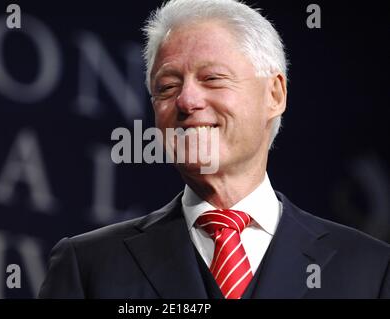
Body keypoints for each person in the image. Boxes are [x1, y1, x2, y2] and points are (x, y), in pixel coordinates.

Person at [38, 0, 389, 299]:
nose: (187, 100)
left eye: (212, 79)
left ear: (275, 95)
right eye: (168, 86)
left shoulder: (372, 269)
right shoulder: (87, 266)